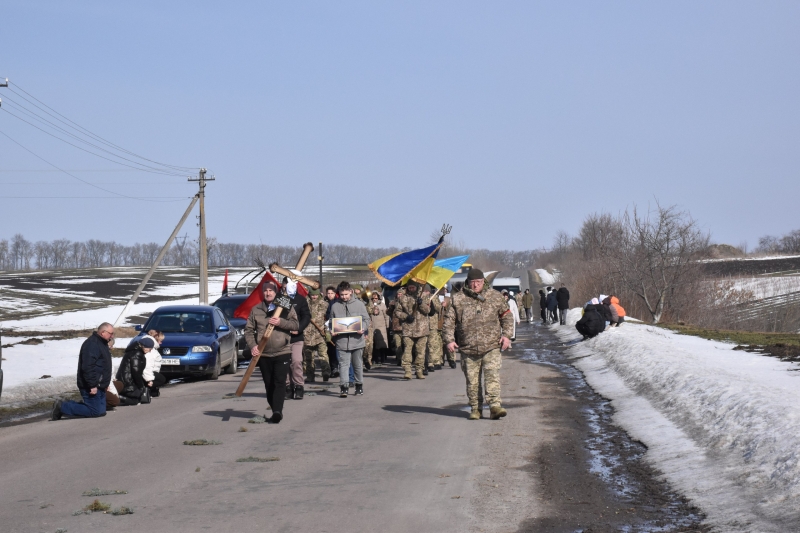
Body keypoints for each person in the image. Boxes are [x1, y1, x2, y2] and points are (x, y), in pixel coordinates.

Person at [443, 268, 513, 421]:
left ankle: (495, 406)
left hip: (491, 346)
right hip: (468, 348)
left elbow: (507, 317)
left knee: (492, 376)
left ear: (484, 281)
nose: (475, 285)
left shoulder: (495, 296)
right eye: (473, 282)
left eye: (479, 282)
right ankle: (476, 408)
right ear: (468, 282)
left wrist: (506, 336)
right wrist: (449, 339)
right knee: (472, 381)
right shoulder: (458, 299)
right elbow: (449, 322)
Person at [244, 280, 300, 424]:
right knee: (269, 384)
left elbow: (295, 324)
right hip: (263, 353)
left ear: (276, 292)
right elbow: (249, 331)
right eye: (265, 291)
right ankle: (275, 407)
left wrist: (280, 322)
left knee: (279, 381)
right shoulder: (256, 309)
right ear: (262, 293)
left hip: (282, 350)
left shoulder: (285, 306)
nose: (268, 293)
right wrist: (252, 346)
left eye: (271, 290)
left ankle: (277, 412)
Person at [52, 323, 114, 420]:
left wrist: (105, 383)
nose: (112, 336)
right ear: (103, 332)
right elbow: (87, 367)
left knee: (101, 411)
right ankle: (62, 406)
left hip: (100, 385)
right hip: (90, 385)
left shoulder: (102, 344)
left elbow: (104, 366)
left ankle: (75, 405)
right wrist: (92, 385)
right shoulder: (92, 344)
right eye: (111, 333)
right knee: (95, 411)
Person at [329, 281, 370, 397]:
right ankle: (344, 387)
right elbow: (331, 321)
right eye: (342, 295)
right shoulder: (335, 306)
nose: (344, 297)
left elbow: (367, 319)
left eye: (346, 294)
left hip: (357, 340)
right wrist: (332, 330)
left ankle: (359, 386)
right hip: (342, 341)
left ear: (351, 292)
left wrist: (363, 328)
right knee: (343, 364)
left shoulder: (359, 304)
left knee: (357, 364)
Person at [392, 280, 432, 380]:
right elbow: (397, 311)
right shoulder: (403, 298)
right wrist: (405, 317)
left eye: (413, 287)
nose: (411, 289)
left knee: (420, 352)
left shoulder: (423, 296)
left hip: (422, 329)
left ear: (416, 287)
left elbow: (428, 311)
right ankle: (408, 371)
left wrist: (421, 303)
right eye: (409, 287)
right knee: (407, 351)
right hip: (408, 329)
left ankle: (419, 370)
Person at [282, 278, 311, 400]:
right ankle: (288, 387)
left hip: (296, 337)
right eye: (285, 285)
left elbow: (306, 316)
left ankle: (299, 386)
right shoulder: (279, 299)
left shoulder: (300, 299)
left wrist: (299, 328)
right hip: (282, 338)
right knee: (285, 363)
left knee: (296, 361)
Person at [303, 287, 331, 382]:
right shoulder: (304, 304)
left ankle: (326, 373)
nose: (314, 297)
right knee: (308, 358)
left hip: (320, 334)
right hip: (307, 334)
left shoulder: (325, 305)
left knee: (323, 354)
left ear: (319, 295)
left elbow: (327, 320)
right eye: (312, 295)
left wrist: (327, 332)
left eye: (315, 295)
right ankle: (310, 376)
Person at [116, 337, 154, 406]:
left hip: (126, 380)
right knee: (135, 400)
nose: (149, 351)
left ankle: (120, 397)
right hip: (128, 382)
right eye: (149, 348)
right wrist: (141, 386)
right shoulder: (137, 354)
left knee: (138, 397)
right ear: (143, 346)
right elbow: (136, 372)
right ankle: (119, 398)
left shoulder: (134, 351)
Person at [367, 291, 389, 366]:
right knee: (374, 344)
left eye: (376, 298)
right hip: (372, 327)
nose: (374, 299)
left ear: (378, 297)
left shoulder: (382, 305)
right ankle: (375, 359)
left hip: (381, 327)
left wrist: (387, 325)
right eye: (373, 298)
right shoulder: (369, 305)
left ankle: (382, 358)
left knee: (382, 343)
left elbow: (386, 315)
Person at [142, 329, 166, 397]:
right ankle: (147, 387)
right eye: (160, 341)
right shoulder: (150, 349)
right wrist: (149, 380)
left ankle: (151, 389)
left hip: (151, 372)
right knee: (162, 379)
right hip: (148, 373)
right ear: (156, 339)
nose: (161, 343)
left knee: (155, 393)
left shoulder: (152, 348)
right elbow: (147, 365)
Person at [427, 285, 445, 371]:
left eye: (427, 291)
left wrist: (432, 304)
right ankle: (429, 362)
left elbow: (439, 308)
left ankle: (436, 361)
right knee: (426, 345)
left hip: (433, 324)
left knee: (434, 344)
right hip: (423, 325)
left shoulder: (434, 297)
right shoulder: (420, 298)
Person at [324, 286, 340, 377]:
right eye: (328, 293)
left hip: (336, 327)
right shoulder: (324, 302)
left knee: (336, 349)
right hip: (326, 328)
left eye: (332, 293)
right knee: (330, 349)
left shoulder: (337, 302)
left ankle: (336, 367)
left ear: (335, 294)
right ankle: (332, 368)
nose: (330, 295)